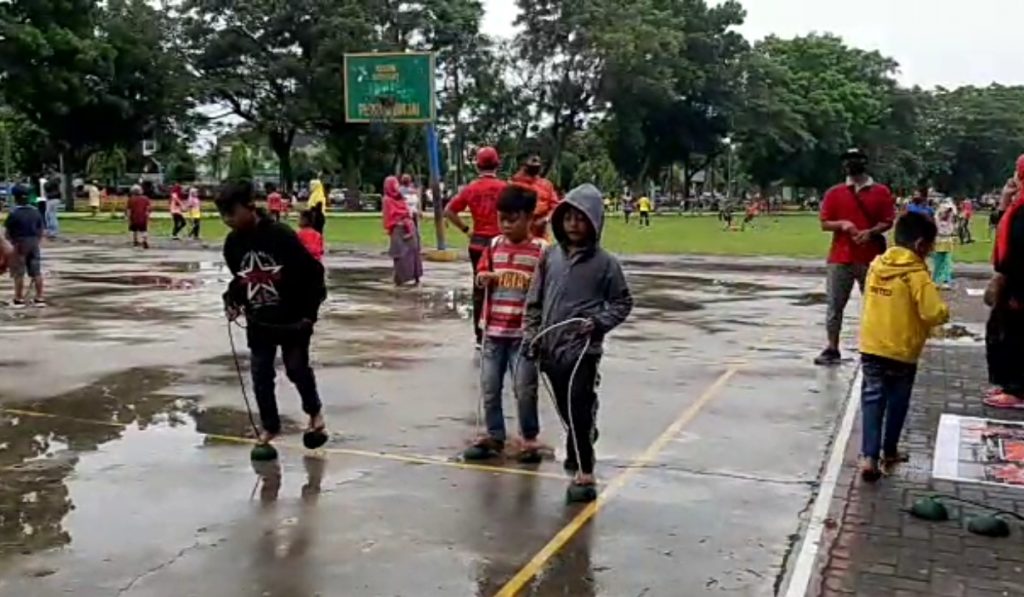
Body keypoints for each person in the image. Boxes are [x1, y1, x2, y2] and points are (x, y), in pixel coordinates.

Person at [524, 183, 633, 503]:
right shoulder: (549, 257)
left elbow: (622, 302)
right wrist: (532, 335)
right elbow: (534, 301)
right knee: (566, 408)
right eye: (568, 217)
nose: (573, 224)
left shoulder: (606, 264)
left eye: (581, 218)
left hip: (584, 350)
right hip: (550, 348)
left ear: (594, 222)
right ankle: (581, 433)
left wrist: (598, 322)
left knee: (578, 404)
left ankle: (585, 471)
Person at [218, 180, 328, 447]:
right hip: (260, 321)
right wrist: (232, 301)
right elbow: (241, 281)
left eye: (232, 213)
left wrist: (309, 315)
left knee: (296, 369)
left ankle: (314, 412)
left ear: (250, 206)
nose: (227, 220)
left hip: (293, 319)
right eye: (223, 214)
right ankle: (269, 426)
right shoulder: (232, 245)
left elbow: (314, 274)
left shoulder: (280, 235)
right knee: (260, 374)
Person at [857, 211, 949, 481]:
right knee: (897, 401)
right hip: (902, 351)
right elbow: (932, 312)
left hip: (872, 346)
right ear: (920, 245)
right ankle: (890, 450)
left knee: (872, 400)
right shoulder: (917, 274)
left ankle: (869, 457)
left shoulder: (876, 265)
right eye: (930, 247)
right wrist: (944, 312)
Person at [463, 185, 547, 463]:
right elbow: (480, 275)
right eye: (503, 219)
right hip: (494, 331)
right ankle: (495, 434)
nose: (507, 225)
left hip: (524, 335)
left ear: (529, 218)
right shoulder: (494, 246)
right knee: (489, 387)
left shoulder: (541, 251)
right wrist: (483, 278)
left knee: (525, 388)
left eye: (514, 219)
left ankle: (529, 437)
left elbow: (549, 288)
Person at [815, 148, 896, 366]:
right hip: (840, 257)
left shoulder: (881, 192)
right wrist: (843, 224)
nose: (850, 164)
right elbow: (824, 222)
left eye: (854, 160)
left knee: (875, 305)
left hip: (871, 257)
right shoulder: (835, 192)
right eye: (847, 161)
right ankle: (832, 347)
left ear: (864, 162)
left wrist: (870, 232)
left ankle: (875, 347)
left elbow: (888, 220)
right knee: (834, 306)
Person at [445, 147, 506, 347]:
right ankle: (500, 329)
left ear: (477, 166)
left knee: (479, 288)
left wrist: (466, 230)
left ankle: (480, 334)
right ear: (497, 164)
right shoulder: (504, 188)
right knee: (502, 286)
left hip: (478, 243)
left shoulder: (471, 189)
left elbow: (449, 211)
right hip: (500, 244)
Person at [983, 156, 1024, 410]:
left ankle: (1016, 389)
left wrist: (1014, 288)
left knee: (1014, 335)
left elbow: (1019, 249)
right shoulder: (1017, 205)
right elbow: (1001, 230)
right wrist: (1004, 201)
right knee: (1001, 331)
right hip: (1012, 279)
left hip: (1018, 282)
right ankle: (1008, 382)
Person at [3, 185, 45, 307]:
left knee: (19, 272)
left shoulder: (14, 213)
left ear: (15, 198)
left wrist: (10, 243)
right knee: (36, 272)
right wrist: (37, 241)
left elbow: (7, 232)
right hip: (34, 242)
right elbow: (41, 229)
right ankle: (39, 298)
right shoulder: (36, 212)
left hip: (19, 243)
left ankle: (19, 298)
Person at [382, 176, 422, 287]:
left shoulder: (389, 199)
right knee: (410, 254)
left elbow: (389, 216)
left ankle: (402, 279)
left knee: (401, 254)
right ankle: (412, 278)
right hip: (407, 226)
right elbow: (407, 211)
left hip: (400, 228)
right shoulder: (399, 197)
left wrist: (389, 228)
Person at [511, 153, 558, 238]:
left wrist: (545, 219)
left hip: (540, 233)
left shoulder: (546, 185)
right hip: (519, 232)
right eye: (532, 161)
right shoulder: (515, 184)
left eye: (537, 162)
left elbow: (555, 206)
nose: (535, 163)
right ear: (523, 166)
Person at [933, 199, 957, 289]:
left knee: (947, 262)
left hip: (947, 239)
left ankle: (945, 280)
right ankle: (936, 280)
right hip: (939, 239)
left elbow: (954, 212)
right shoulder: (937, 216)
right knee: (938, 261)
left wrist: (950, 209)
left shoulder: (950, 217)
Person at [125, 185, 152, 249]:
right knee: (144, 230)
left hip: (134, 218)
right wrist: (148, 216)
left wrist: (128, 218)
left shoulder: (131, 199)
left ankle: (135, 242)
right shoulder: (145, 198)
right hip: (143, 217)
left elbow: (129, 210)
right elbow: (148, 208)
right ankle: (144, 240)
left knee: (134, 230)